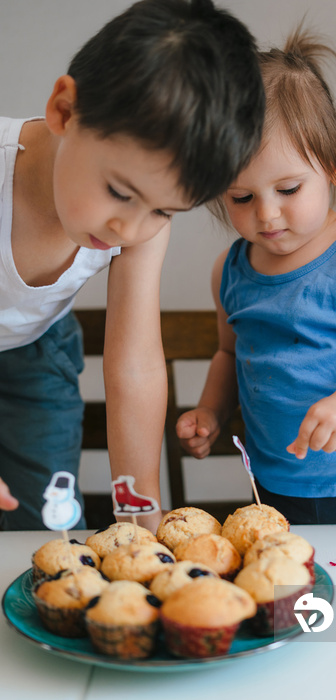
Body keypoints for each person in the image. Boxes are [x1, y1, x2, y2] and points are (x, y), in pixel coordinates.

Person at [0, 0, 264, 531]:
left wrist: (139, 512)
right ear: (65, 111)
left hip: (35, 350)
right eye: (120, 192)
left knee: (38, 525)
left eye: (163, 211)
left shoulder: (140, 224)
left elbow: (135, 365)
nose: (132, 228)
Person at [176, 27, 336, 525]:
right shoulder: (229, 271)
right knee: (290, 602)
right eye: (242, 197)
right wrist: (211, 410)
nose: (267, 215)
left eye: (288, 188)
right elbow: (230, 354)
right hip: (273, 489)